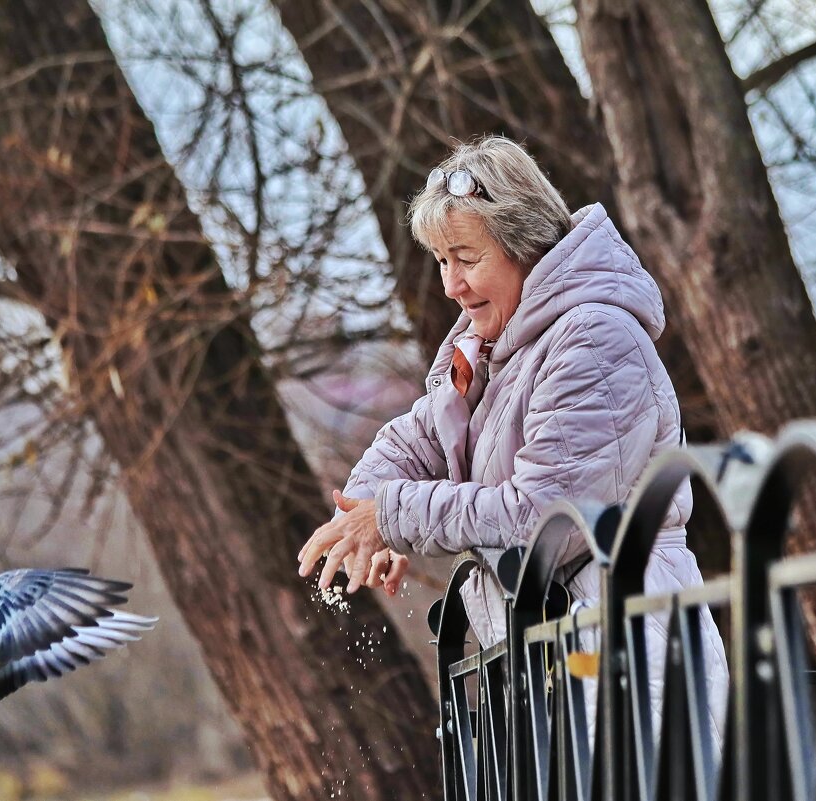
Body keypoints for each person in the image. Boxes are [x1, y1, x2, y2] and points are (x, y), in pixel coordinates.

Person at [297, 135, 727, 740]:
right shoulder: (494, 353)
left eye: (466, 259)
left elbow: (543, 513)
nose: (450, 284)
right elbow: (414, 437)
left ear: (524, 245)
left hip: (629, 655)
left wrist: (392, 516)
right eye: (442, 261)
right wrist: (365, 513)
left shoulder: (594, 340)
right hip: (557, 656)